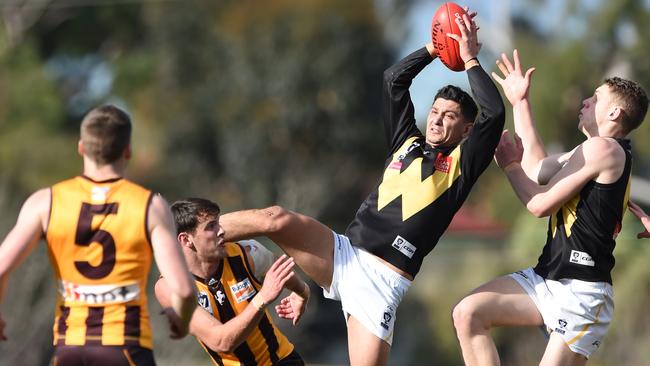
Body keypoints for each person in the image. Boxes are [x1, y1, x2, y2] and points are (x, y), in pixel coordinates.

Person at [217, 8, 505, 366]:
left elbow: (493, 112)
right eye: (435, 111)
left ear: (465, 131)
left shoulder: (462, 164)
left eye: (449, 117)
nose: (437, 119)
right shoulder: (406, 141)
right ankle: (200, 237)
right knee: (274, 218)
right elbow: (393, 80)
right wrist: (434, 49)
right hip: (344, 255)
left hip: (383, 283)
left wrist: (470, 58)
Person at [452, 50, 649, 365]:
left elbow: (539, 203)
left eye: (595, 98)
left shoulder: (604, 149)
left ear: (613, 113)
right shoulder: (589, 152)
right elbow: (537, 168)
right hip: (547, 279)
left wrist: (509, 166)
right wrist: (520, 103)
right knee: (468, 313)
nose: (585, 101)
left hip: (582, 293)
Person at [0, 105, 197, 365]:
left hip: (69, 349)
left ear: (81, 147)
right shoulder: (149, 206)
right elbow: (184, 290)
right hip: (126, 347)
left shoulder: (46, 202)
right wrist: (181, 323)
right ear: (128, 151)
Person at [155, 198, 310, 366]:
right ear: (185, 240)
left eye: (219, 223)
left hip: (281, 361)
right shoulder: (171, 287)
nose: (222, 231)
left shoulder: (246, 253)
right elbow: (220, 342)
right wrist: (263, 297)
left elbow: (280, 271)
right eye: (211, 226)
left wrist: (302, 293)